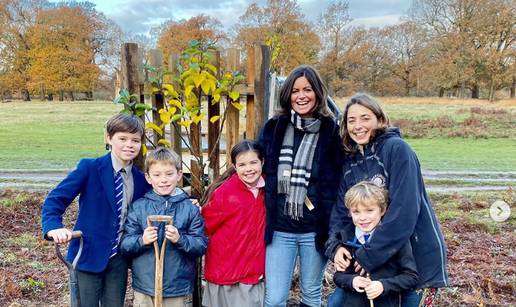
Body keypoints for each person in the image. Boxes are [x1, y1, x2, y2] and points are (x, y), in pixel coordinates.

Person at [327, 93, 448, 307]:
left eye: (365, 118)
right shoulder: (351, 163)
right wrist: (336, 246)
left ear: (380, 119)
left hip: (414, 262)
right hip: (374, 267)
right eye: (351, 120)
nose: (358, 126)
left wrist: (367, 257)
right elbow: (341, 212)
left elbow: (404, 211)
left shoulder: (397, 150)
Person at [41, 112, 150, 307]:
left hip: (119, 259)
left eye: (135, 140)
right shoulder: (90, 168)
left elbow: (159, 198)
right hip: (87, 254)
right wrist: (53, 227)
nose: (129, 145)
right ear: (108, 138)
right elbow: (55, 199)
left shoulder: (141, 179)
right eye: (122, 138)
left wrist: (184, 201)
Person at [258, 65, 343, 307]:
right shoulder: (274, 127)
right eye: (295, 91)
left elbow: (340, 179)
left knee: (311, 295)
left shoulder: (331, 131)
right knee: (274, 299)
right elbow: (252, 166)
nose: (301, 96)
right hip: (280, 229)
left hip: (315, 230)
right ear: (288, 95)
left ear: (318, 92)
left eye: (307, 89)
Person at [120, 147, 207, 307]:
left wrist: (180, 239)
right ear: (148, 177)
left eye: (169, 174)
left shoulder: (189, 208)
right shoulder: (139, 207)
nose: (163, 180)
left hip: (178, 288)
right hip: (146, 288)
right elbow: (125, 245)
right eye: (157, 175)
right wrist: (141, 240)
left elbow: (200, 245)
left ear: (179, 175)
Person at [328, 181, 419, 306]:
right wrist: (352, 281)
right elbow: (338, 276)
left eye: (369, 210)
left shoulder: (395, 239)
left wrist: (383, 285)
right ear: (349, 213)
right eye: (356, 212)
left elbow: (411, 277)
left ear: (382, 210)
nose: (362, 218)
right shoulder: (346, 237)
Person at [200, 140, 266, 307]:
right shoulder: (225, 193)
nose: (249, 169)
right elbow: (205, 226)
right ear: (235, 166)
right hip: (224, 269)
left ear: (262, 162)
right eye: (242, 164)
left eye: (253, 162)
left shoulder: (268, 190)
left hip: (252, 270)